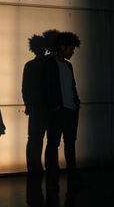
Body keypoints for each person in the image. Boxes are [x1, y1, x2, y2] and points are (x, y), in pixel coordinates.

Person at [43, 32, 81, 178]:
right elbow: (45, 88)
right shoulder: (49, 65)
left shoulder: (68, 66)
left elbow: (72, 86)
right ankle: (52, 174)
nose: (72, 52)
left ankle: (72, 173)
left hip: (71, 110)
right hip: (58, 111)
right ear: (63, 47)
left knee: (70, 143)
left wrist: (76, 103)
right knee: (53, 143)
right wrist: (55, 107)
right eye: (71, 49)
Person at [22, 35, 48, 174]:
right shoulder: (49, 64)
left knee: (34, 139)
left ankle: (33, 168)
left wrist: (28, 105)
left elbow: (25, 89)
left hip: (36, 107)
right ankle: (36, 167)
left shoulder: (30, 65)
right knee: (39, 139)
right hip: (44, 107)